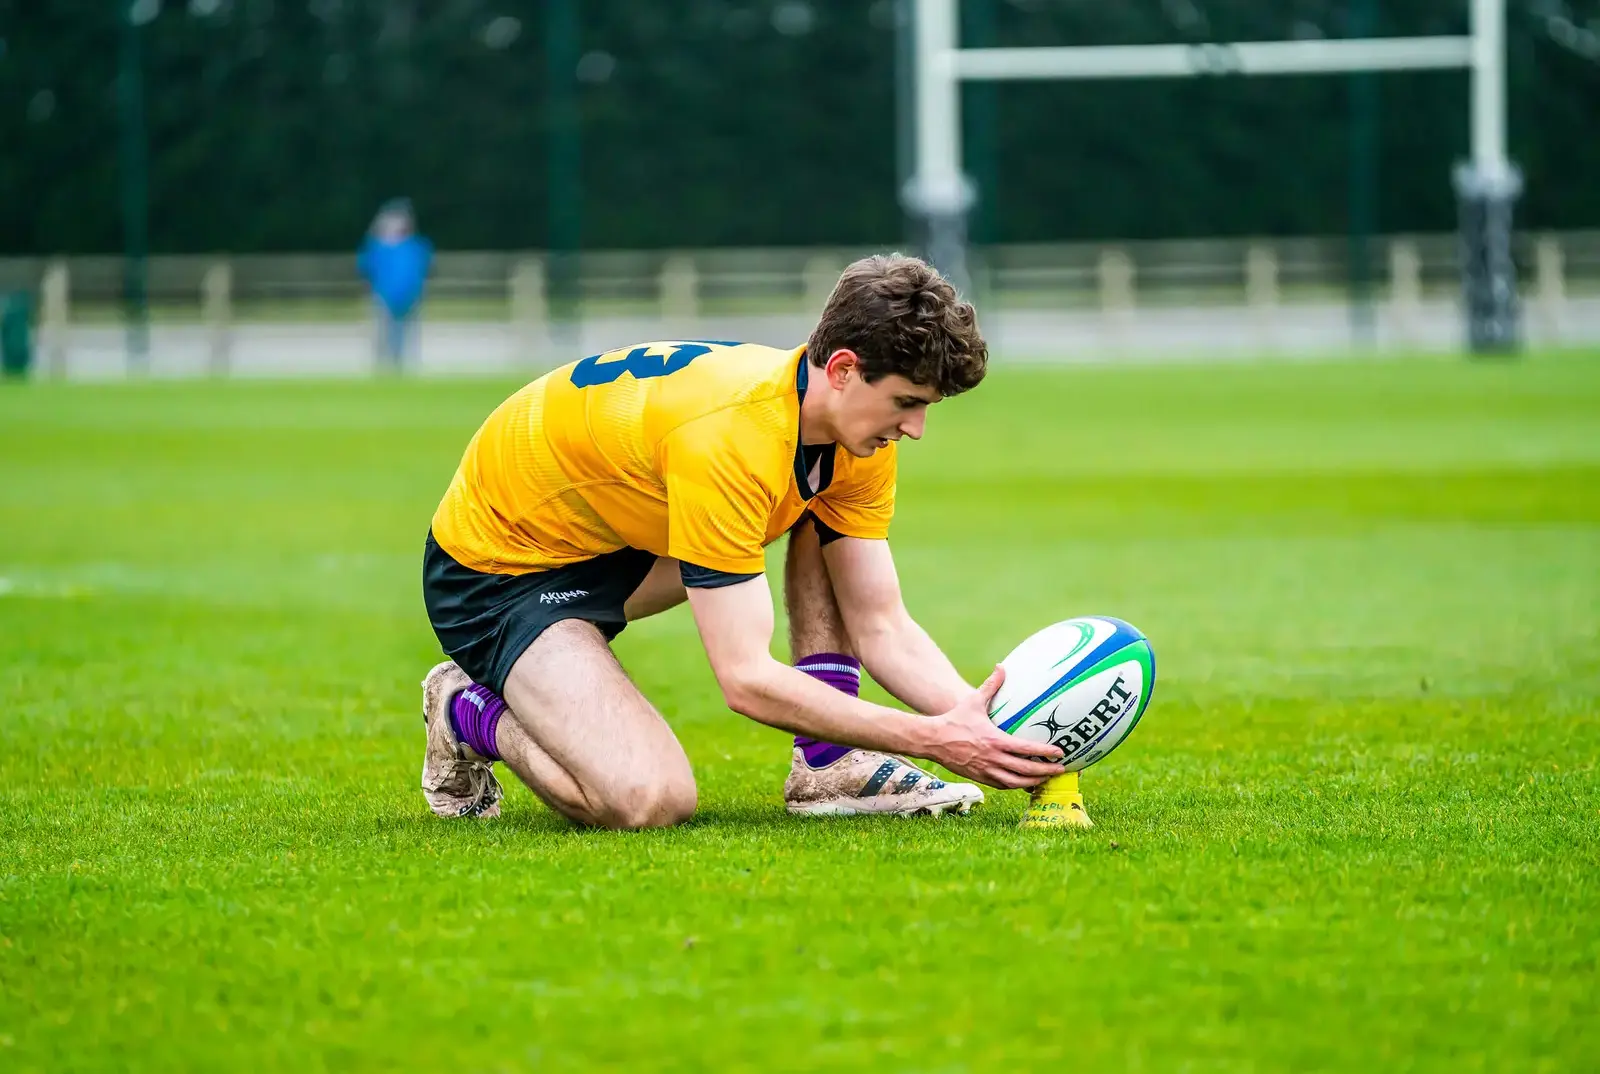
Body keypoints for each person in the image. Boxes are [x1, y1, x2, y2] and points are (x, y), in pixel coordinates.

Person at [418, 254, 1093, 829]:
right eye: (906, 402)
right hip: (498, 571)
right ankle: (466, 712)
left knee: (815, 499)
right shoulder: (731, 439)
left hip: (619, 536)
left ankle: (827, 764)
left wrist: (996, 736)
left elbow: (881, 623)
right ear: (844, 370)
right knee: (647, 798)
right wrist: (931, 739)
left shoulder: (848, 431)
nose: (915, 429)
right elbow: (745, 679)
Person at [357, 198, 432, 370]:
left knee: (407, 337)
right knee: (383, 337)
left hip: (411, 298)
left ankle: (403, 368)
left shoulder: (415, 245)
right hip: (383, 298)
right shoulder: (377, 246)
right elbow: (365, 268)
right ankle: (384, 369)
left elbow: (424, 268)